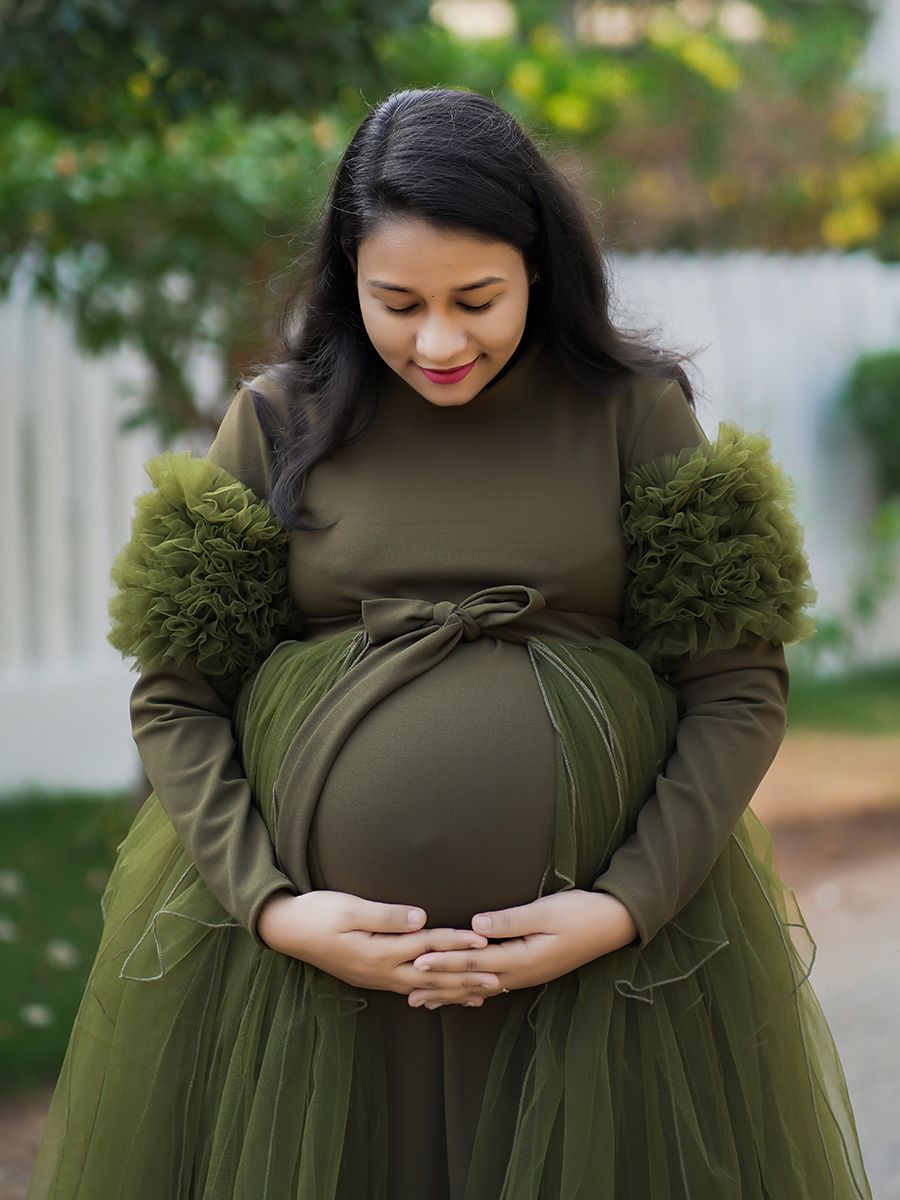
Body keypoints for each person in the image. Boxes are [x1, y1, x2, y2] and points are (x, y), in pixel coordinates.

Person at [27, 87, 873, 1200]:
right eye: (397, 302)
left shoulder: (636, 415)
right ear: (348, 280)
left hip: (603, 986)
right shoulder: (276, 423)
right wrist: (280, 909)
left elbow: (738, 687)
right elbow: (177, 697)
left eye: (476, 299)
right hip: (308, 999)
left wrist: (619, 906)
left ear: (539, 264)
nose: (437, 340)